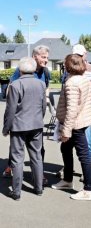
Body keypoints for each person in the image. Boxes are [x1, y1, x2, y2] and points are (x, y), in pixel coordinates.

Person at [52, 54, 91, 201]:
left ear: (68, 66)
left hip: (75, 124)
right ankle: (67, 180)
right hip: (81, 121)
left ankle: (88, 189)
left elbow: (72, 109)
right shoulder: (84, 80)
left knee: (83, 155)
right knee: (65, 149)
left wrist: (66, 130)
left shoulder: (72, 82)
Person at [3, 45, 50, 185]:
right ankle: (10, 167)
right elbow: (10, 90)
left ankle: (39, 176)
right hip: (20, 116)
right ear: (35, 56)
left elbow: (45, 90)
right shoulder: (21, 70)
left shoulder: (46, 72)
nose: (46, 60)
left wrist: (41, 111)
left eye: (47, 57)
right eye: (43, 57)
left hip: (35, 116)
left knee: (39, 148)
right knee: (16, 147)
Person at [57, 44, 91, 180]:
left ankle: (86, 178)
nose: (78, 57)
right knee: (66, 148)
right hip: (75, 117)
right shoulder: (70, 74)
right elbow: (65, 94)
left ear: (85, 55)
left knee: (85, 147)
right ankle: (68, 177)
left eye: (80, 55)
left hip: (81, 117)